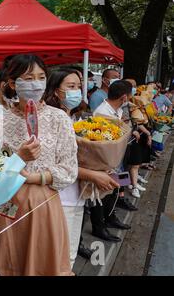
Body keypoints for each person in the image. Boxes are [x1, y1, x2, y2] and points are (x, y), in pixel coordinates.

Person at [0, 54, 77, 276]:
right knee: (8, 261)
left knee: (42, 263)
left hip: (43, 202)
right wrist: (18, 155)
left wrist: (37, 177)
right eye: (28, 78)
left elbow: (69, 168)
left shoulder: (59, 118)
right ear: (13, 83)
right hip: (6, 203)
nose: (36, 83)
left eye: (41, 77)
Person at [43, 68, 119, 268]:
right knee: (58, 258)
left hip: (77, 196)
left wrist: (101, 165)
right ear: (54, 89)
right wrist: (93, 174)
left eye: (78, 86)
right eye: (70, 86)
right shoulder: (50, 120)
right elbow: (52, 165)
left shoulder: (75, 119)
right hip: (59, 198)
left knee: (69, 256)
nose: (76, 91)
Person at [89, 80, 133, 242]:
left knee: (114, 189)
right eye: (129, 95)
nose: (130, 98)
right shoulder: (102, 113)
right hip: (102, 161)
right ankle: (99, 227)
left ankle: (110, 217)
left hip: (116, 159)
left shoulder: (118, 110)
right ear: (123, 97)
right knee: (100, 194)